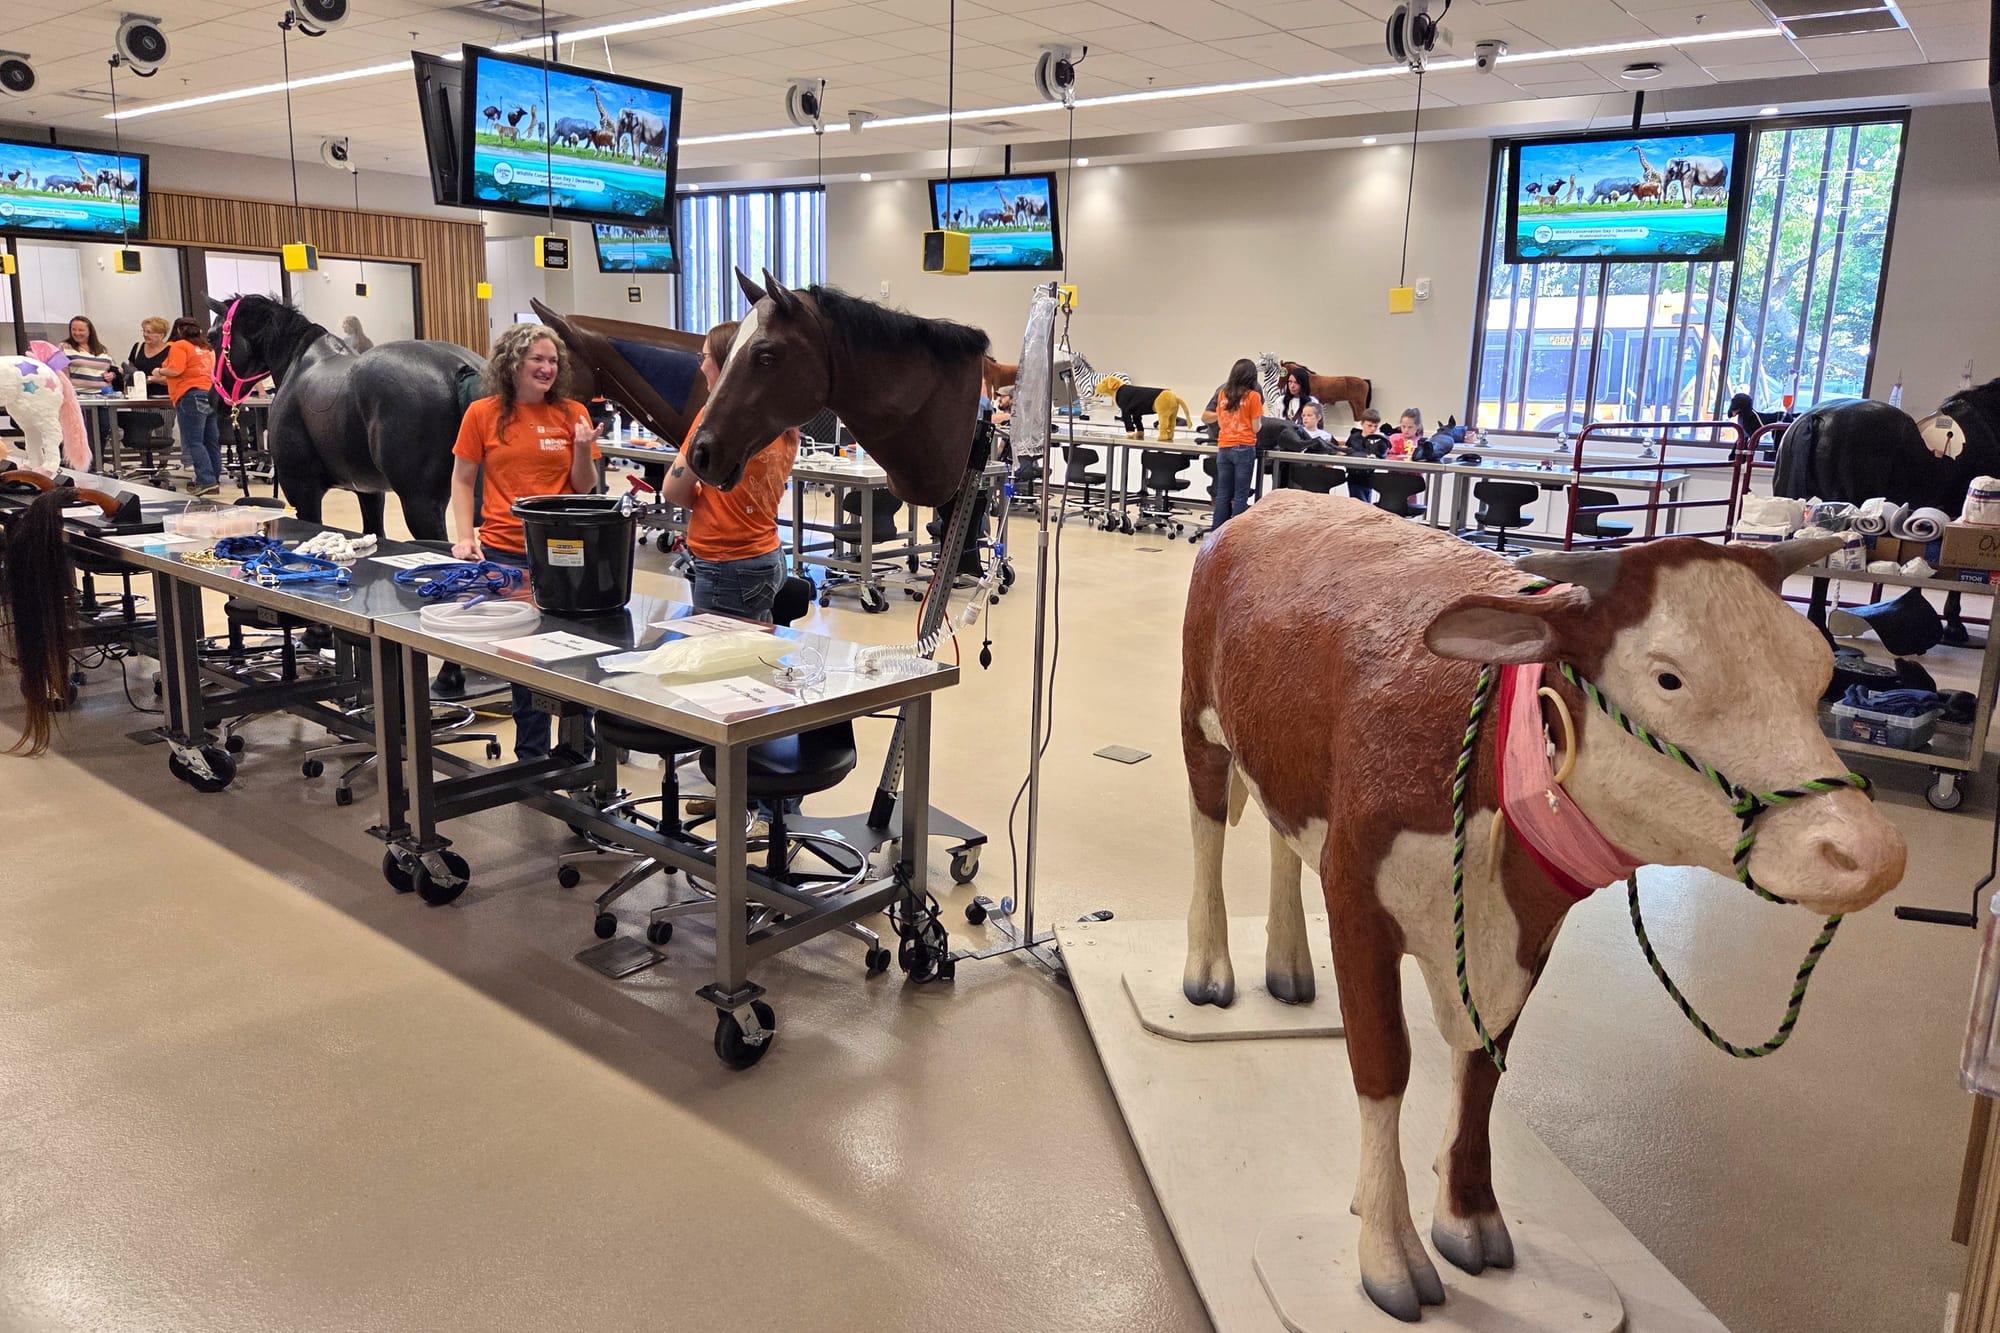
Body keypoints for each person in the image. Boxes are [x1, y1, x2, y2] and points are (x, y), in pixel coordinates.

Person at [449, 322, 600, 761]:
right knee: (523, 657)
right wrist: (464, 536)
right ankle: (531, 757)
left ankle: (579, 752)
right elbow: (462, 481)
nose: (547, 368)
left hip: (566, 554)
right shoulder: (482, 414)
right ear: (512, 363)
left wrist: (582, 449)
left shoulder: (574, 413)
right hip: (506, 551)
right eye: (537, 359)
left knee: (575, 653)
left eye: (553, 361)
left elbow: (584, 486)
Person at [660, 320, 799, 621]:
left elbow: (673, 490)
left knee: (721, 659)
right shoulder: (786, 422)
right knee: (754, 648)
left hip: (726, 561)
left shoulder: (717, 419)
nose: (701, 366)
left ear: (727, 364)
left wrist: (704, 501)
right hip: (766, 554)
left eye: (705, 357)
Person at [159, 317, 222, 496]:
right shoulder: (207, 348)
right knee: (211, 441)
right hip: (210, 394)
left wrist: (159, 371)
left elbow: (175, 370)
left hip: (190, 395)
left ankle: (206, 481)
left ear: (178, 330)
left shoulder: (179, 346)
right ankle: (214, 479)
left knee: (194, 441)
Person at [1201, 358, 1263, 533]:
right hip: (1244, 446)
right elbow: (1255, 427)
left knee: (1222, 494)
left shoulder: (1222, 394)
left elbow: (1219, 420)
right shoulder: (1254, 396)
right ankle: (1235, 536)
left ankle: (1217, 533)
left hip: (1224, 446)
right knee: (1240, 496)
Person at [59, 317, 119, 394]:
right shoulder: (63, 347)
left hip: (104, 396)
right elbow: (61, 375)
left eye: (81, 330)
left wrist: (112, 375)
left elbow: (114, 370)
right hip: (78, 397)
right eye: (74, 329)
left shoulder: (102, 349)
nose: (77, 333)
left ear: (90, 331)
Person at [1343, 408, 1390, 503]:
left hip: (1369, 477)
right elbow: (1347, 452)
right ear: (1362, 423)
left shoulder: (1378, 440)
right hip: (1354, 476)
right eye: (1369, 425)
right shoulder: (1354, 437)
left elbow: (1382, 456)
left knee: (1366, 503)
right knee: (1359, 504)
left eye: (1375, 426)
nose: (1373, 429)